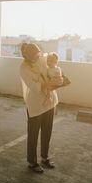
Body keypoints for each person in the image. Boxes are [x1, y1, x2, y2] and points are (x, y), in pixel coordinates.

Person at [20, 43, 63, 173]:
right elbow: (35, 87)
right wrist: (50, 83)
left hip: (49, 103)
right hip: (35, 105)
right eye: (35, 55)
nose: (39, 56)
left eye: (39, 53)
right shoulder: (24, 68)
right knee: (33, 135)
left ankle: (44, 157)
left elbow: (53, 65)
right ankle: (32, 162)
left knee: (47, 131)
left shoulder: (43, 59)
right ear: (27, 56)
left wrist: (59, 77)